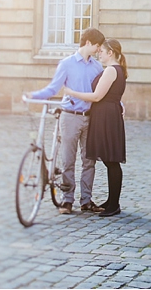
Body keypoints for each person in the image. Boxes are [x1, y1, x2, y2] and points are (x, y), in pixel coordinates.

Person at [23, 28, 106, 215]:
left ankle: (86, 200)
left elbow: (103, 92)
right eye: (97, 46)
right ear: (88, 43)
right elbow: (53, 89)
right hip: (70, 117)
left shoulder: (97, 67)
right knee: (68, 160)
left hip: (90, 119)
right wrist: (33, 95)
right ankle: (67, 200)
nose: (99, 50)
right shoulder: (66, 64)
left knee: (89, 161)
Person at [64, 39, 127, 217]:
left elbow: (97, 96)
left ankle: (114, 204)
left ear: (110, 53)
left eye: (102, 51)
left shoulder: (111, 70)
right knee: (110, 160)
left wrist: (72, 93)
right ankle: (111, 201)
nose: (99, 54)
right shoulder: (117, 70)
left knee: (111, 161)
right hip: (107, 115)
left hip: (106, 117)